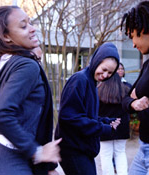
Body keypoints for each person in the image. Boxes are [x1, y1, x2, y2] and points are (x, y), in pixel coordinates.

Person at [0, 6, 61, 175]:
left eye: (30, 23)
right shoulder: (26, 65)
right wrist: (37, 152)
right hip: (10, 157)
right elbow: (0, 114)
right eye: (23, 26)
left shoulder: (1, 64)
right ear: (5, 37)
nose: (32, 28)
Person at [55, 42, 121, 175]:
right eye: (104, 69)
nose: (105, 75)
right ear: (97, 61)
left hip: (81, 149)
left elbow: (85, 115)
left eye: (110, 72)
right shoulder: (80, 80)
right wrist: (102, 128)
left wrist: (106, 121)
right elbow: (69, 117)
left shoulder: (91, 82)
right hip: (72, 149)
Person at [121, 1, 149, 175]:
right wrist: (134, 103)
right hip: (143, 148)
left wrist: (132, 101)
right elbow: (124, 99)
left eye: (133, 36)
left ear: (146, 29)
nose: (132, 44)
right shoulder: (148, 64)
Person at [98, 73, 130, 175]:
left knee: (106, 155)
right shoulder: (126, 90)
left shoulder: (98, 91)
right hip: (122, 125)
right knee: (120, 153)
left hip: (104, 126)